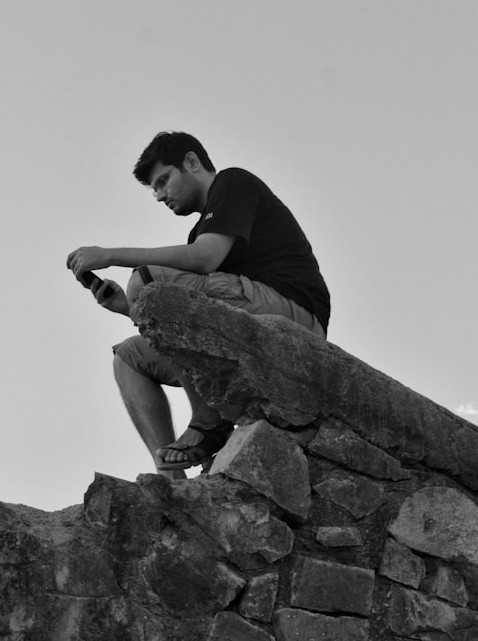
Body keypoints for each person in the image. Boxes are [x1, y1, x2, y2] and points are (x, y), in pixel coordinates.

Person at [66, 131, 330, 477]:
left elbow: (205, 258)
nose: (160, 196)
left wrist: (110, 255)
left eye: (163, 181)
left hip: (294, 320)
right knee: (128, 357)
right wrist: (126, 307)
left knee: (147, 279)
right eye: (154, 190)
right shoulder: (199, 232)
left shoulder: (233, 182)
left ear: (191, 162)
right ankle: (172, 481)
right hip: (246, 323)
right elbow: (194, 318)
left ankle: (207, 421)